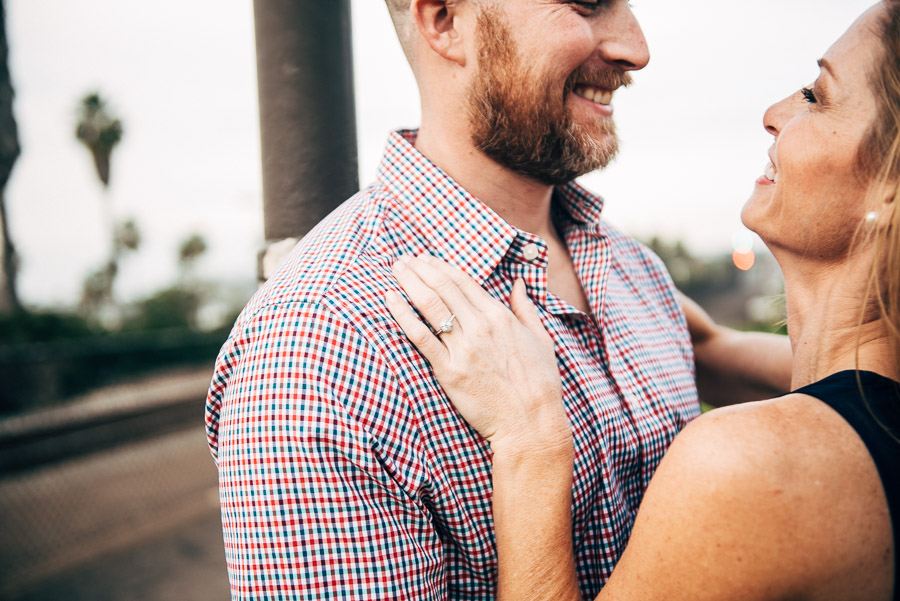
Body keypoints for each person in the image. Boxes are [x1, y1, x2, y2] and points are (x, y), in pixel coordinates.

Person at [205, 0, 789, 598]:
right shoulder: (319, 352)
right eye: (587, 2)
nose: (636, 48)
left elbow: (711, 352)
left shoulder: (628, 264)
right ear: (443, 20)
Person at [387, 2, 900, 600]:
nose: (774, 112)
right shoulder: (637, 278)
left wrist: (531, 444)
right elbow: (711, 347)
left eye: (816, 96)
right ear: (442, 18)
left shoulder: (751, 463)